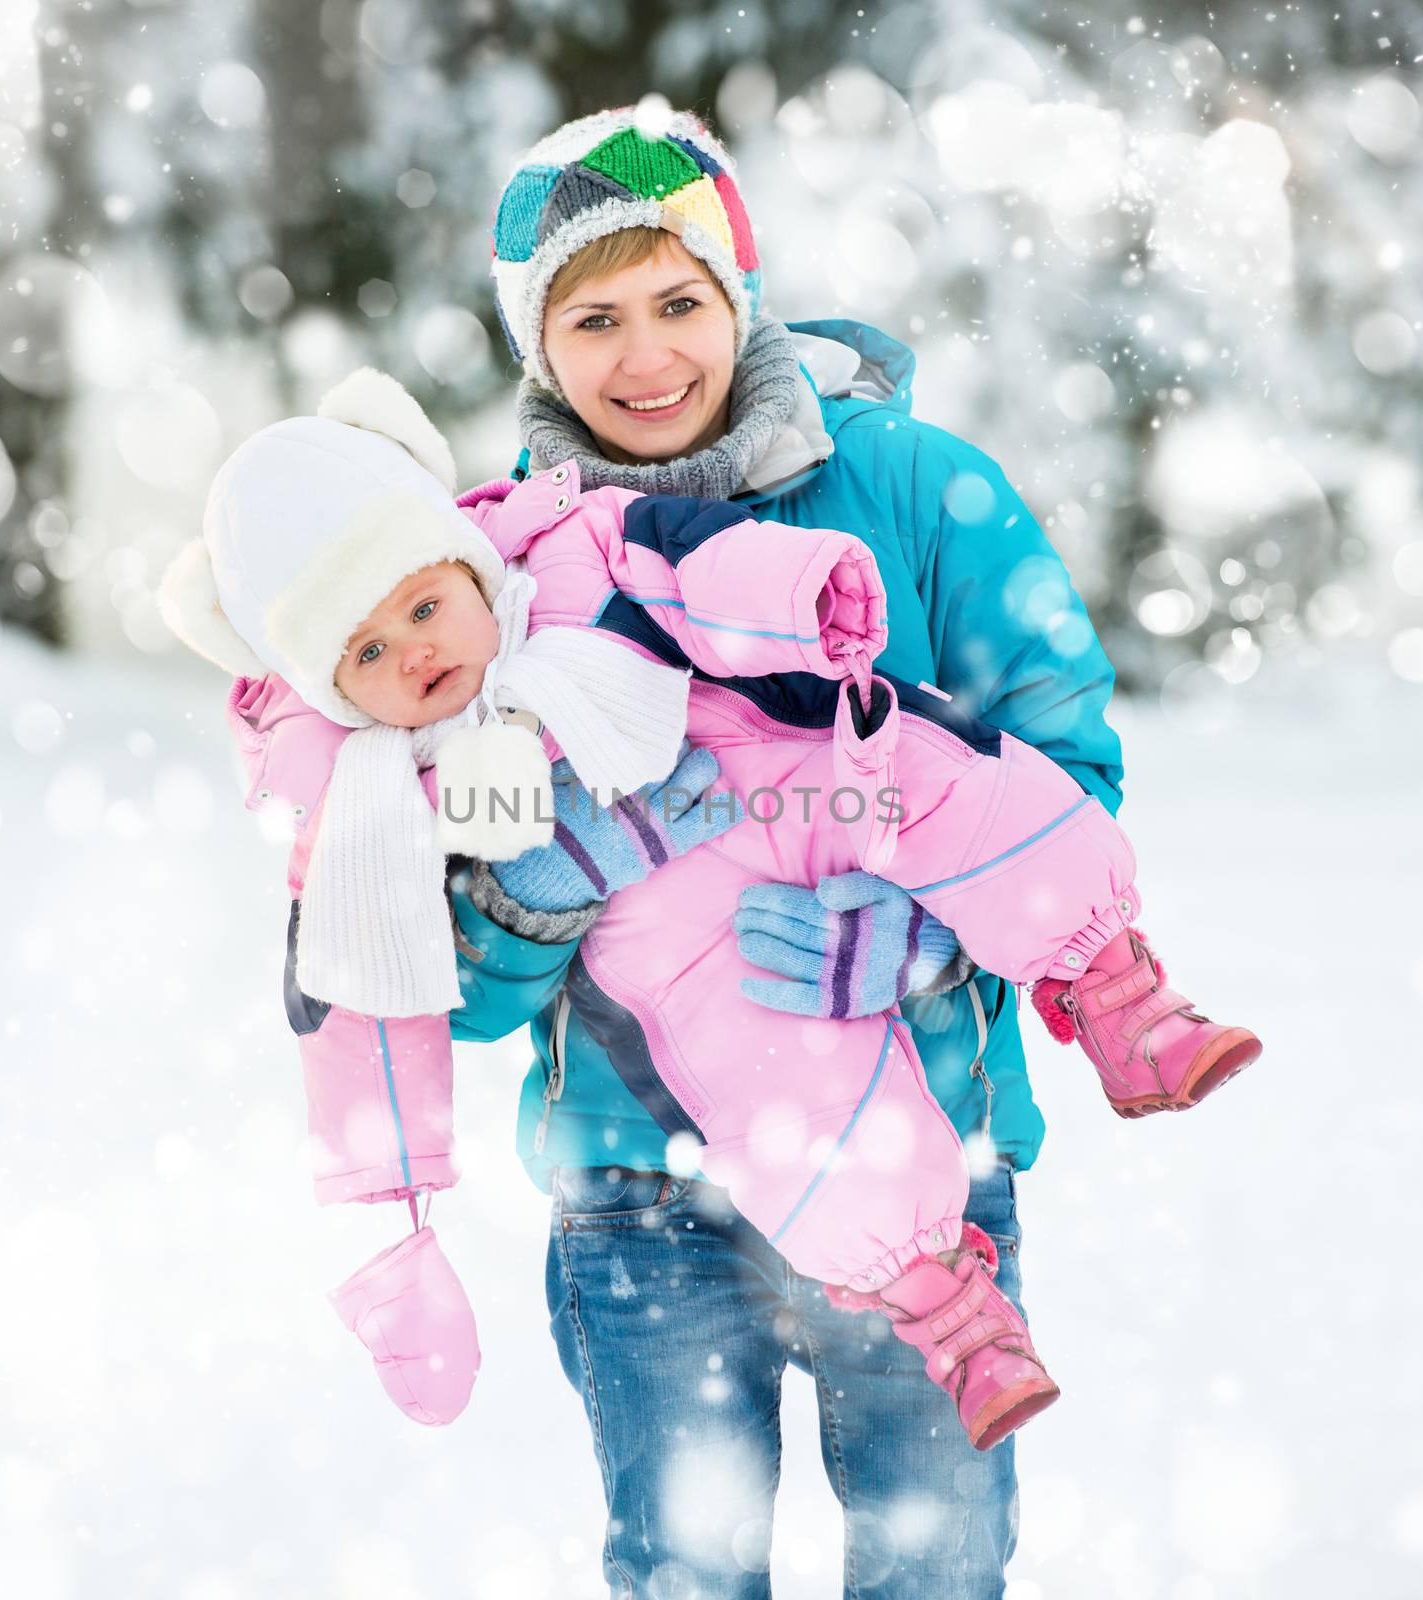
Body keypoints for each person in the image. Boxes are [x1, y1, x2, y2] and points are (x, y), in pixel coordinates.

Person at [437, 106, 1257, 1596]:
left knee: (934, 1569)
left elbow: (1065, 775)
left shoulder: (919, 490)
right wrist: (531, 893)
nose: (644, 359)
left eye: (678, 301)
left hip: (923, 1144)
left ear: (737, 293)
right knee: (687, 1574)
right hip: (640, 1203)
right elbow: (441, 985)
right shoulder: (481, 582)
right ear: (531, 343)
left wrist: (928, 937)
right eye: (593, 318)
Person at [163, 359, 1257, 1463]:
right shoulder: (378, 801)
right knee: (803, 1122)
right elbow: (368, 998)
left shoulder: (569, 547)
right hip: (695, 947)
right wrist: (394, 1237)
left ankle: (1118, 991)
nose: (421, 652)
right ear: (333, 691)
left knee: (974, 793)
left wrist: (800, 601)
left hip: (812, 770)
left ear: (460, 555)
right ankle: (948, 1307)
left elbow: (685, 563)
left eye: (424, 604)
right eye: (369, 652)